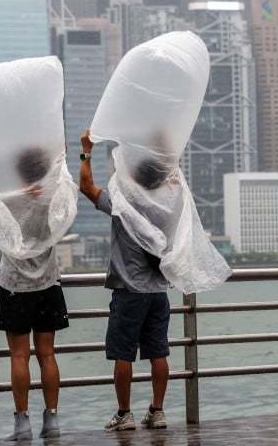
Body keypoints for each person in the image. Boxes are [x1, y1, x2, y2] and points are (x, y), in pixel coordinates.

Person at [0, 148, 68, 441]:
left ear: (18, 171)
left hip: (15, 286)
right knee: (47, 355)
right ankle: (53, 421)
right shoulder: (53, 198)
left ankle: (22, 423)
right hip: (49, 283)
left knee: (19, 356)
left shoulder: (7, 198)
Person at [78, 128, 170, 432]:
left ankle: (124, 413)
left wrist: (87, 150)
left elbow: (87, 187)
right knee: (158, 351)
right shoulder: (166, 205)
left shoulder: (122, 204)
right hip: (158, 291)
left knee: (123, 352)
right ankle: (157, 411)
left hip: (129, 291)